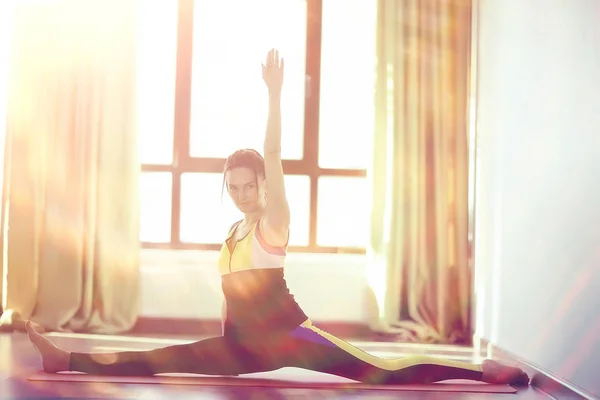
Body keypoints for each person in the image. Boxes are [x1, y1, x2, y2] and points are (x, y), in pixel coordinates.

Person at [26, 49, 529, 386]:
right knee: (162, 360)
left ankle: (483, 372)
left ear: (264, 184)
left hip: (296, 338)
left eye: (251, 185)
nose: (244, 194)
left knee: (385, 367)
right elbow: (230, 306)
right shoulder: (231, 235)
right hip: (243, 348)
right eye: (235, 188)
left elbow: (272, 149)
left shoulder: (273, 223)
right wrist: (222, 349)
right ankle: (65, 359)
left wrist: (273, 94)